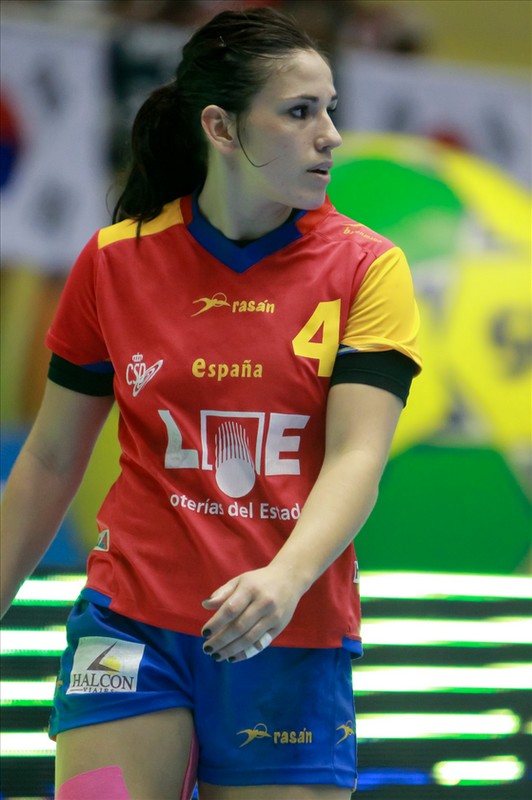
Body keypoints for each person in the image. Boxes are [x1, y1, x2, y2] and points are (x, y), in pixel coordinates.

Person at [0, 6, 422, 799]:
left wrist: (285, 578)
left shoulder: (369, 268)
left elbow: (358, 456)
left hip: (288, 631)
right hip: (128, 623)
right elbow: (52, 457)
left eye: (331, 109)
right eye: (300, 112)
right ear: (221, 128)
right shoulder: (114, 261)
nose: (330, 135)